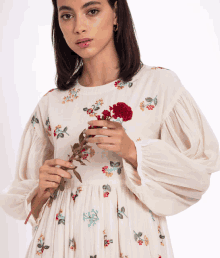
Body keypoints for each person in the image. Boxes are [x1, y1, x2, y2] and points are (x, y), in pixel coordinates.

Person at [0, 0, 220, 257]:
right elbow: (32, 212)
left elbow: (198, 174)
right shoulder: (52, 103)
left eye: (92, 11)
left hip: (131, 241)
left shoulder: (157, 85)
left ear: (116, 14)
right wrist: (41, 190)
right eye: (67, 15)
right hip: (60, 242)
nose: (79, 27)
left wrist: (133, 151)